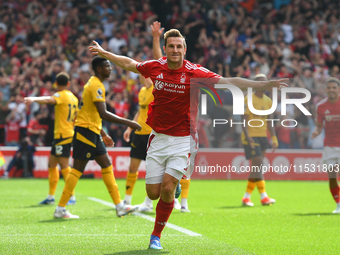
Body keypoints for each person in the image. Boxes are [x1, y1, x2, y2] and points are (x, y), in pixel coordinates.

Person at [88, 25, 288, 250]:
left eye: (179, 46)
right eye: (171, 46)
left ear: (185, 49)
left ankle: (156, 236)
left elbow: (230, 82)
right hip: (159, 137)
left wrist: (262, 84)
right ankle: (174, 189)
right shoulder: (156, 67)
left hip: (184, 138)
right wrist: (105, 53)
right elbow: (128, 63)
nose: (175, 50)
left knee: (166, 188)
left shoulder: (195, 72)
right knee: (153, 194)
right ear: (165, 49)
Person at [53, 56, 141, 219]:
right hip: (85, 132)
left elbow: (90, 113)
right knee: (78, 169)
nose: (111, 68)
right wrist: (129, 122)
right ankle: (60, 208)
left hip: (92, 131)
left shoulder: (94, 84)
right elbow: (103, 113)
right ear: (99, 69)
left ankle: (119, 206)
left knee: (107, 165)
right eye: (108, 66)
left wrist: (103, 134)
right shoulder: (95, 86)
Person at [24, 72, 79, 205]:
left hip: (62, 135)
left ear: (56, 84)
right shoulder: (74, 98)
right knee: (52, 164)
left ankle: (71, 196)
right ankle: (50, 197)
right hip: (64, 134)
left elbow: (49, 100)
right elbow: (76, 117)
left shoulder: (60, 95)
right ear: (68, 83)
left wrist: (33, 99)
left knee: (64, 166)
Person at [241, 74, 278, 207]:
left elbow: (269, 121)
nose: (264, 85)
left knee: (256, 168)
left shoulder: (268, 101)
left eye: (265, 82)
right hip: (251, 136)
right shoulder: (248, 99)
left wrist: (273, 137)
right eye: (261, 82)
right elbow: (243, 121)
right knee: (258, 166)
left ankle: (246, 197)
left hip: (263, 136)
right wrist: (247, 136)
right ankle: (264, 197)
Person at [123, 75, 154, 212]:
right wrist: (130, 128)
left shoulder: (155, 89)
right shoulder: (142, 91)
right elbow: (140, 112)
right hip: (139, 134)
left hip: (151, 134)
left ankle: (148, 202)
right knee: (132, 168)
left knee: (151, 170)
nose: (138, 76)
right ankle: (127, 200)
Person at [312, 77, 340, 213]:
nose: (331, 90)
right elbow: (319, 126)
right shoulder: (321, 106)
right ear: (326, 90)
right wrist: (316, 132)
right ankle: (338, 204)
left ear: (338, 89)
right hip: (329, 145)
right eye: (329, 88)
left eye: (334, 87)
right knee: (332, 176)